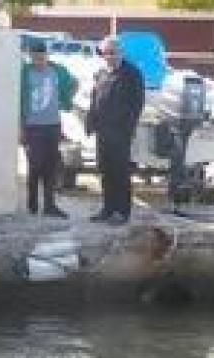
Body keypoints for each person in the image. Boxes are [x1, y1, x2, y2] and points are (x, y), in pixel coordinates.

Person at [85, 35, 144, 226]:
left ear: (121, 52)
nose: (110, 56)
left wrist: (128, 128)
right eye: (106, 53)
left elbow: (137, 103)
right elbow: (95, 99)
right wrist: (90, 121)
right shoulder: (101, 73)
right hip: (103, 131)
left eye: (113, 52)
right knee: (105, 171)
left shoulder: (132, 73)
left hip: (120, 132)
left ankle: (122, 212)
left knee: (120, 173)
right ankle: (107, 209)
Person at [20, 40, 77, 219]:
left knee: (51, 166)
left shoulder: (57, 70)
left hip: (53, 125)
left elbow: (73, 83)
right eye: (35, 57)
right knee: (35, 165)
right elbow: (18, 98)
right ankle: (32, 204)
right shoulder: (25, 72)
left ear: (47, 55)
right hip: (32, 126)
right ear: (30, 56)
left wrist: (65, 100)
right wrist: (20, 127)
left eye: (41, 56)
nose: (38, 60)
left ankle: (50, 205)